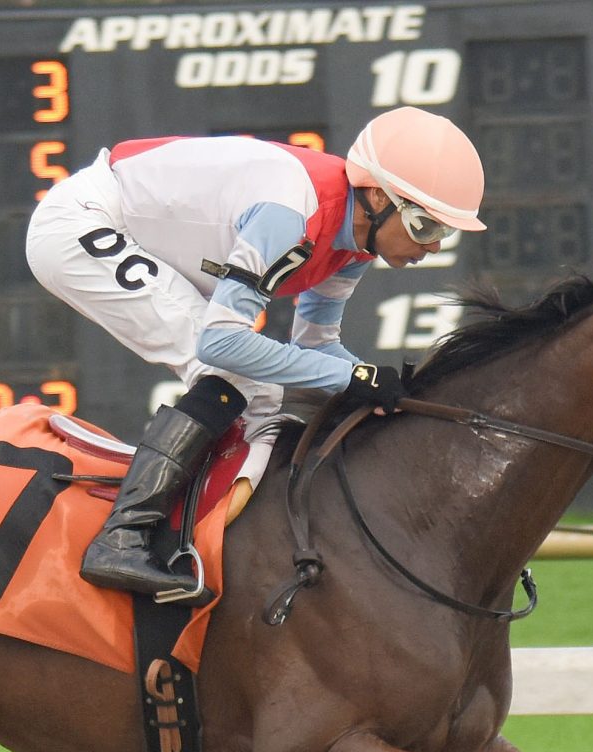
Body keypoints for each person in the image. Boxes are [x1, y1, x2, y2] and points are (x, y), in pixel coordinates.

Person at [25, 106, 486, 601]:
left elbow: (315, 345)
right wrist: (353, 378)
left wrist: (376, 380)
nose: (433, 247)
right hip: (80, 223)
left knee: (257, 380)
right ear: (377, 196)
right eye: (423, 226)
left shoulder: (356, 243)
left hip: (131, 231)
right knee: (241, 376)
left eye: (444, 232)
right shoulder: (289, 216)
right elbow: (220, 342)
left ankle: (199, 533)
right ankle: (122, 539)